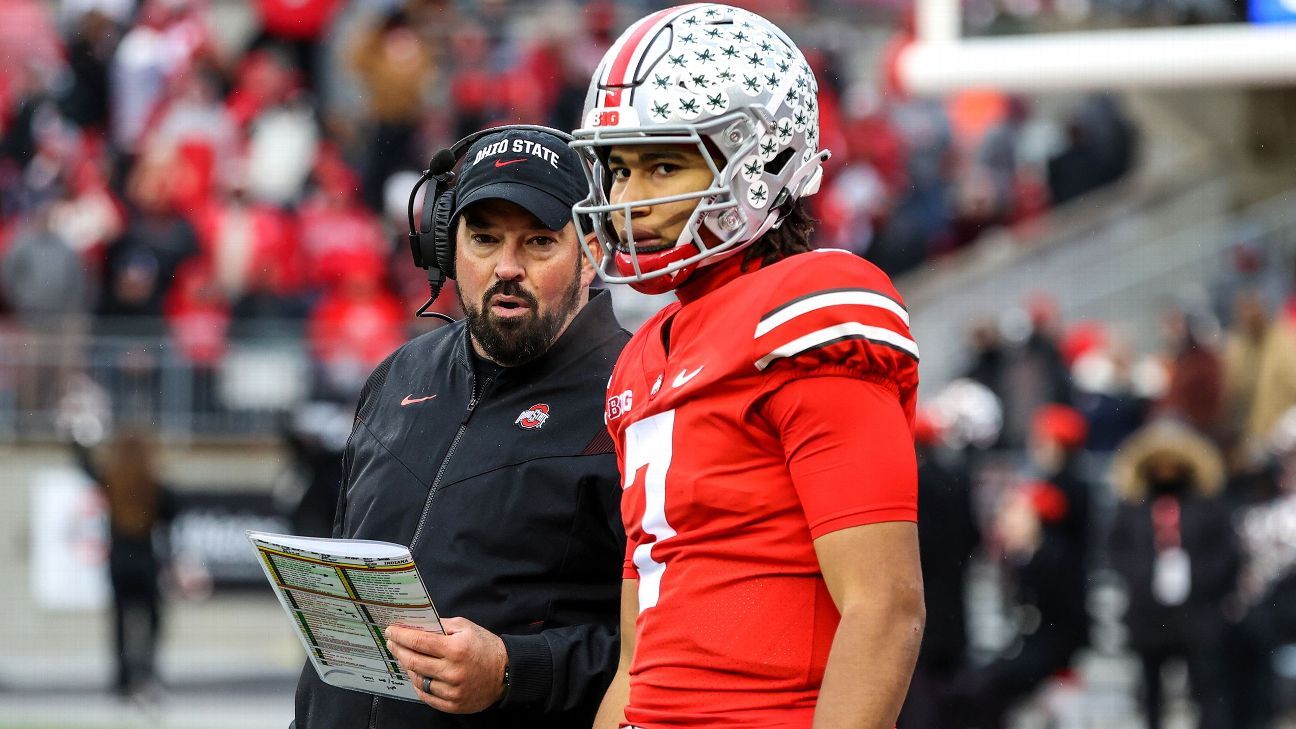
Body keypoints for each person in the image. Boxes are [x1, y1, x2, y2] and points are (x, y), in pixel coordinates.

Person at [571, 6, 925, 727]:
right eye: (618, 168)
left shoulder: (809, 309)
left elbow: (884, 608)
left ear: (761, 160)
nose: (628, 201)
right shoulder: (641, 357)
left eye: (663, 164)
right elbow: (642, 654)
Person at [293, 127, 629, 728]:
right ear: (446, 248)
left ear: (592, 252)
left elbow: (670, 644)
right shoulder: (398, 375)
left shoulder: (635, 399)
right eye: (484, 238)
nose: (506, 267)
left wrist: (510, 669)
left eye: (539, 242)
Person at [1108, 419, 1239, 729]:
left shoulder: (1205, 506)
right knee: (1151, 692)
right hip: (1148, 614)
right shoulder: (1134, 506)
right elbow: (1117, 550)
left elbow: (1225, 552)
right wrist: (1143, 577)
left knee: (1206, 690)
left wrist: (1198, 579)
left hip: (1197, 614)